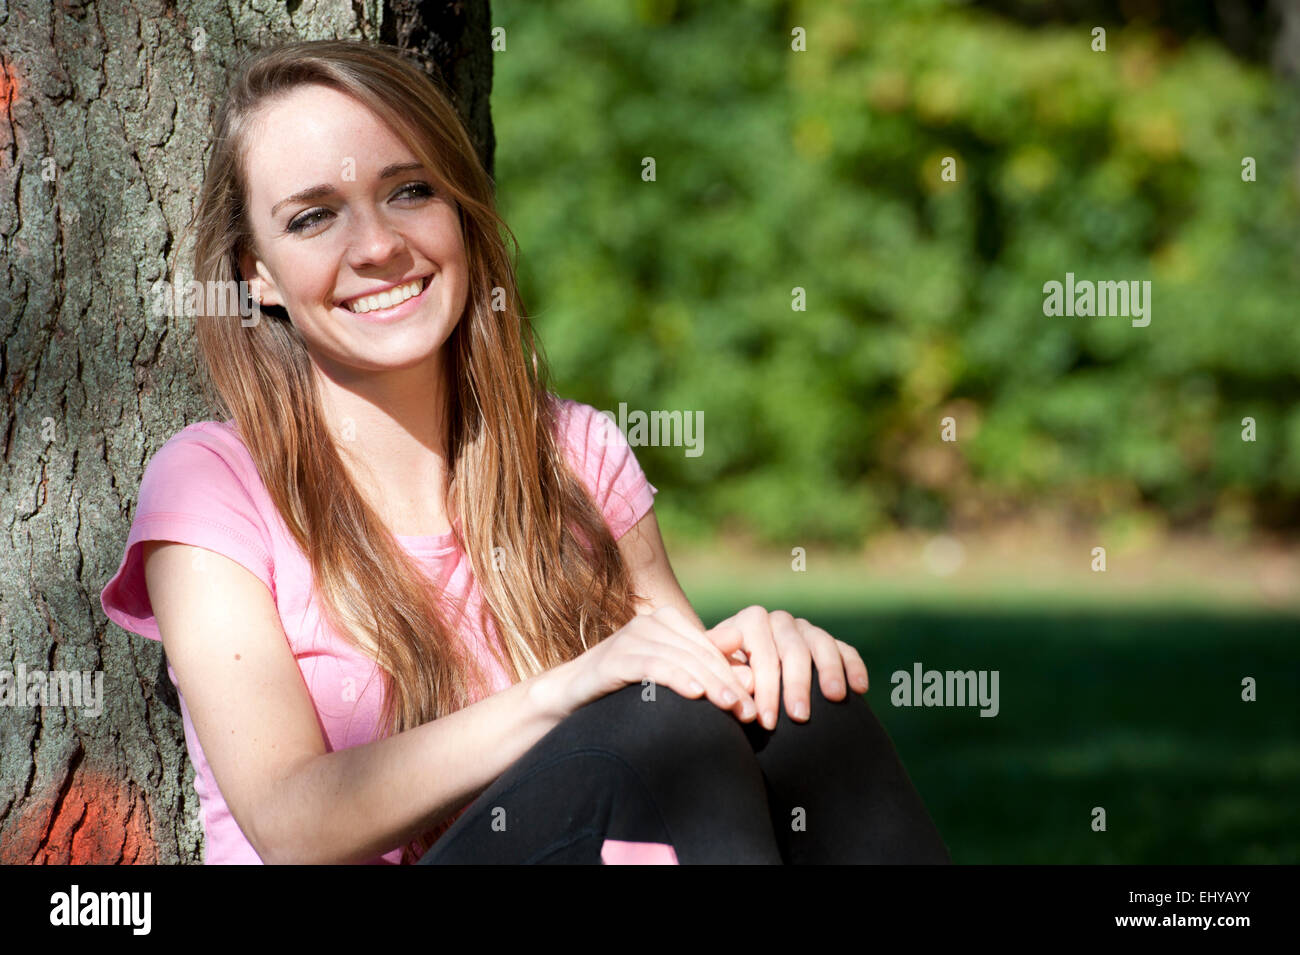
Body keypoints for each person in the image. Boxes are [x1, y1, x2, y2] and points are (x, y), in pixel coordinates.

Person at [100, 39, 951, 865]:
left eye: (409, 191)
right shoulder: (213, 485)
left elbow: (701, 714)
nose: (377, 246)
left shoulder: (575, 452)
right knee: (651, 717)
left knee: (801, 715)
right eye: (315, 216)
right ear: (258, 274)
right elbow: (292, 821)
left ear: (460, 211)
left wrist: (761, 657)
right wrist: (565, 690)